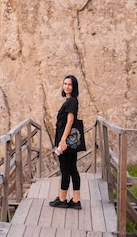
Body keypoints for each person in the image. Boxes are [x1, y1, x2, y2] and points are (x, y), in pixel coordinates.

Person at [49, 75, 82, 210]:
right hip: (69, 140)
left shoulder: (71, 102)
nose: (67, 86)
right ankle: (75, 200)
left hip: (66, 140)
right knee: (72, 168)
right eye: (65, 84)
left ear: (74, 87)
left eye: (70, 84)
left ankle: (62, 199)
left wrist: (62, 141)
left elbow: (70, 121)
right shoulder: (71, 100)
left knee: (65, 169)